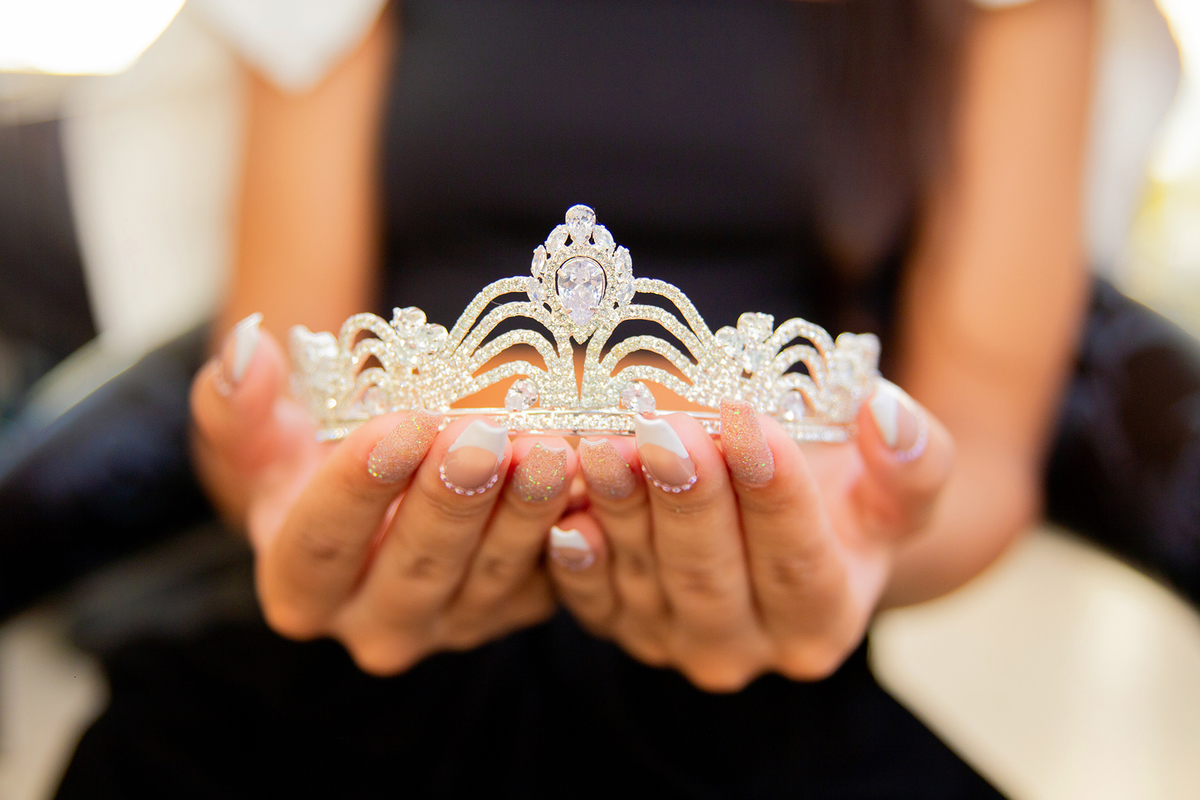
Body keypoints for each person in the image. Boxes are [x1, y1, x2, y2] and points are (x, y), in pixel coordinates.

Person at [57, 0, 1095, 796]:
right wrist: (277, 478)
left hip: (775, 714)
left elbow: (982, 450)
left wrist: (854, 532)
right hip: (340, 684)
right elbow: (289, 377)